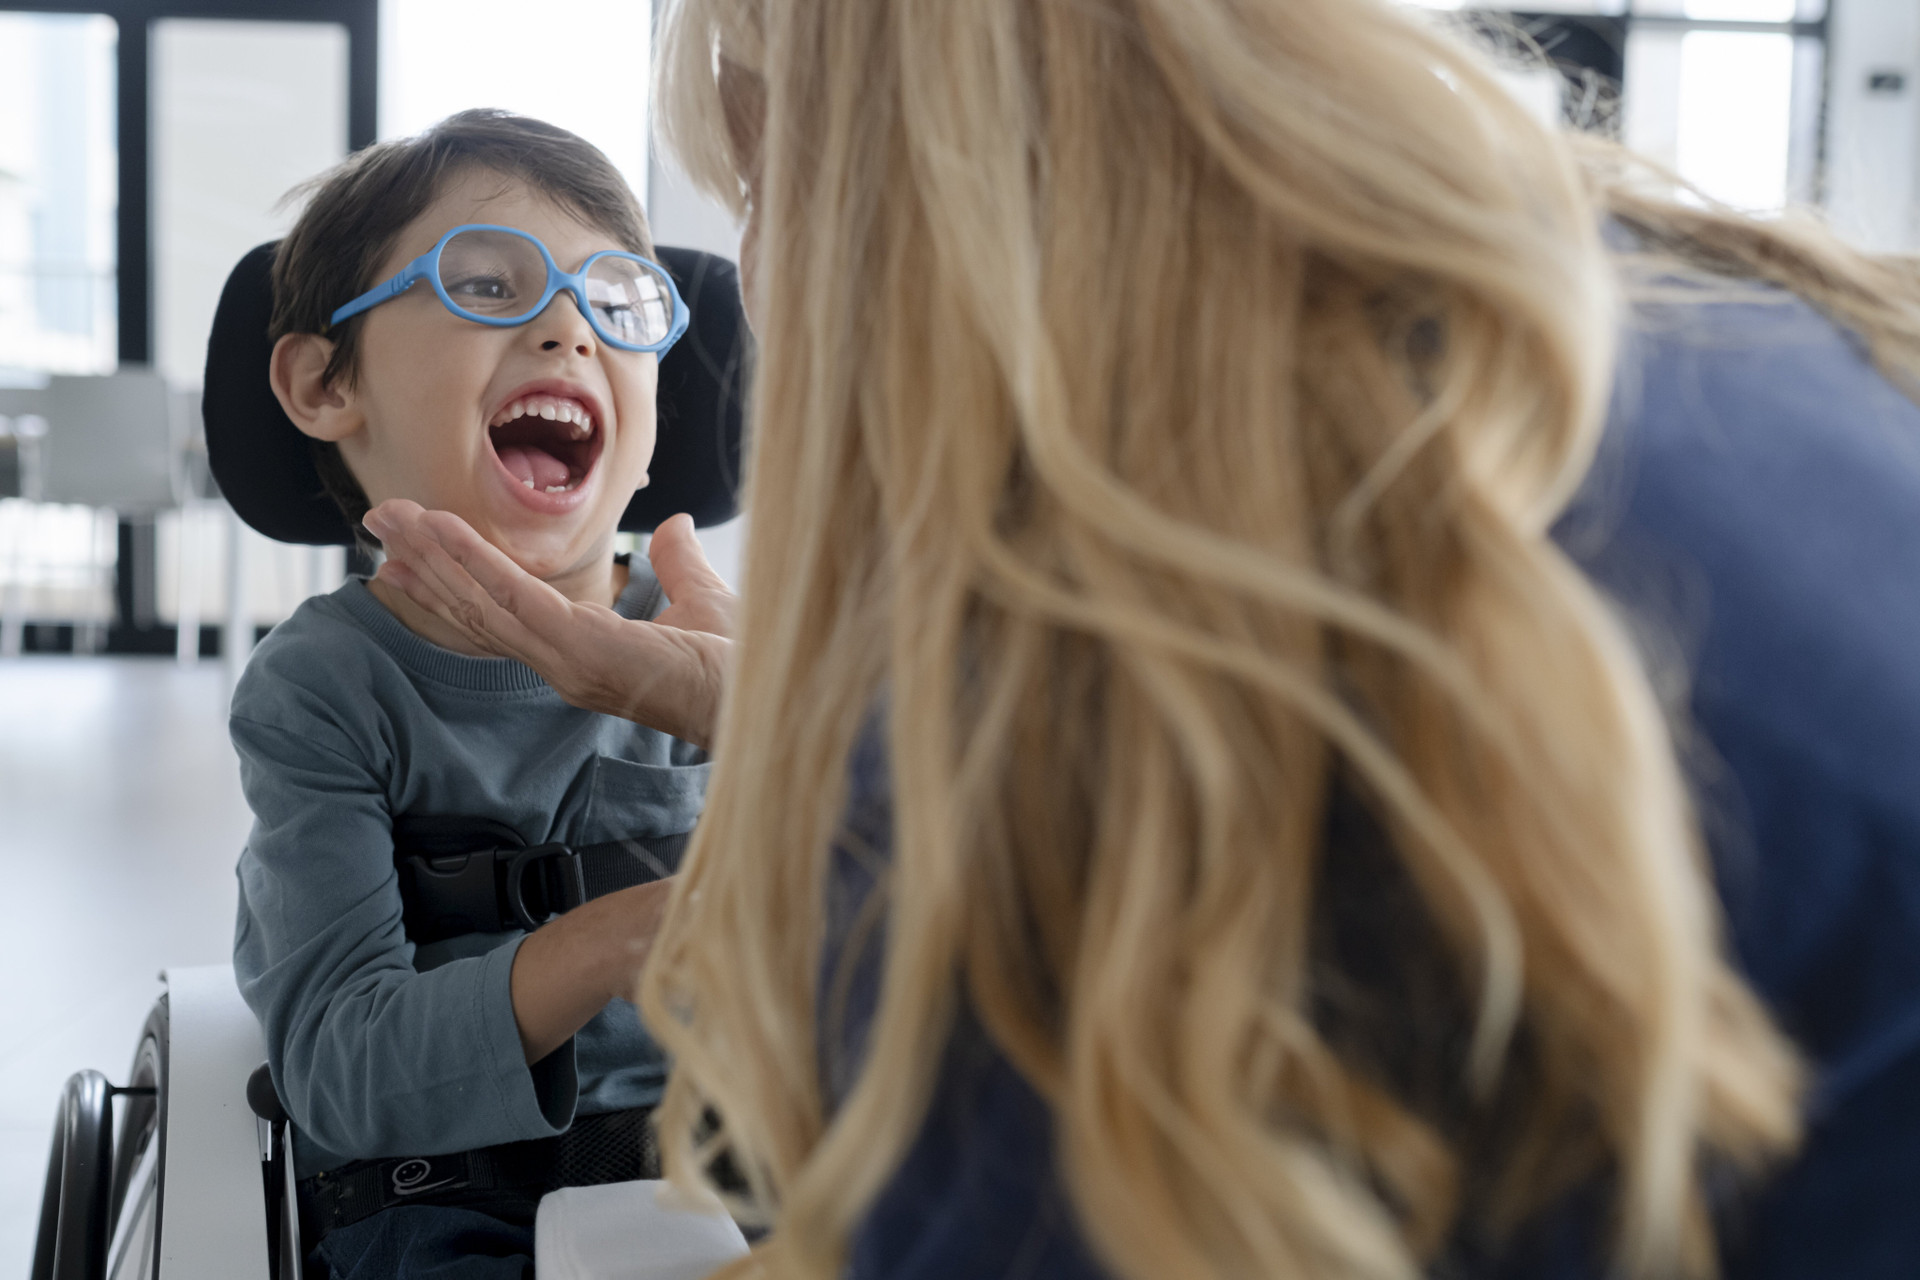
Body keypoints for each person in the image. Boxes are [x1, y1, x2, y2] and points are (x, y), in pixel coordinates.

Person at [369, 2, 1920, 1278]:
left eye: (755, 196)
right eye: (493, 290)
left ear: (879, 198)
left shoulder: (1082, 728)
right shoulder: (1738, 331)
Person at [231, 109, 733, 1279]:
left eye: (618, 303)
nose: (568, 327)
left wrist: (773, 718)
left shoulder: (723, 642)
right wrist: (628, 928)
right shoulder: (326, 688)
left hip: (728, 1163)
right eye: (486, 285)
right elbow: (345, 1070)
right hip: (443, 1190)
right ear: (323, 382)